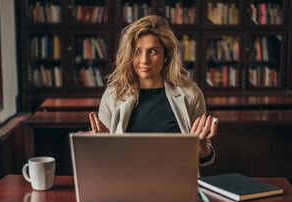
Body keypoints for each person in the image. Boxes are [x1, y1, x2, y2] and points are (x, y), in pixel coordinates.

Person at [88, 15, 218, 167]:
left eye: (153, 51)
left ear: (166, 56)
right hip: (126, 180)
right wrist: (100, 145)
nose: (144, 60)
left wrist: (200, 144)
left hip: (176, 182)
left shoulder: (191, 93)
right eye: (137, 51)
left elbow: (204, 159)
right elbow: (105, 158)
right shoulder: (113, 94)